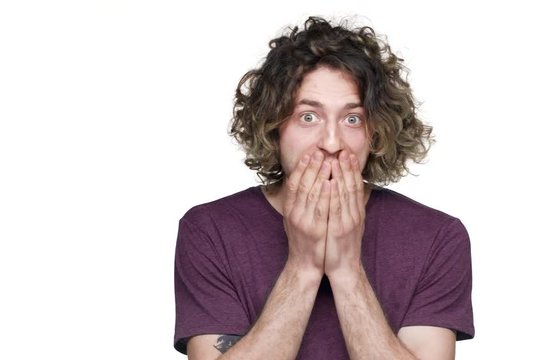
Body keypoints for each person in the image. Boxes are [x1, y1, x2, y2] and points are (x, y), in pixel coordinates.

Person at [173, 16, 474, 359]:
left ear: (375, 132)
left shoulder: (436, 237)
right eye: (308, 117)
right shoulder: (210, 230)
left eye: (352, 119)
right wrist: (303, 266)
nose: (332, 142)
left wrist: (347, 270)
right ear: (274, 126)